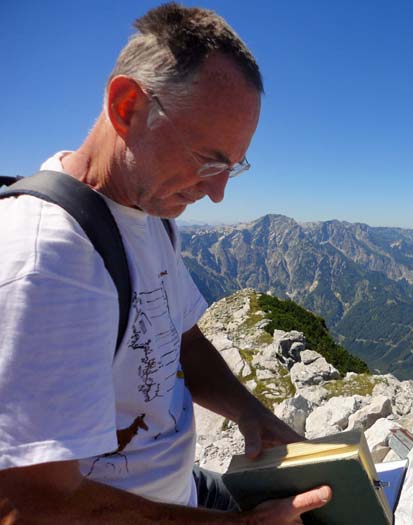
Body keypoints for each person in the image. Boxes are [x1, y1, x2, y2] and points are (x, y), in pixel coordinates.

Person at [0, 3, 330, 523]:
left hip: (180, 494)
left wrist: (251, 414)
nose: (219, 193)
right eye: (208, 160)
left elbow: (180, 338)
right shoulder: (49, 261)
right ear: (127, 105)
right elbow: (29, 505)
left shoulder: (149, 212)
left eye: (233, 165)